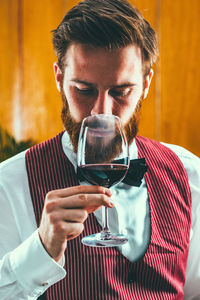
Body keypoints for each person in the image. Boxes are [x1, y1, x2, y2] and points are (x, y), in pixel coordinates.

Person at [0, 0, 200, 299]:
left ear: (146, 84)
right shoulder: (8, 184)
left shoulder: (190, 174)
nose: (101, 112)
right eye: (83, 90)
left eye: (120, 92)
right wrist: (40, 248)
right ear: (59, 79)